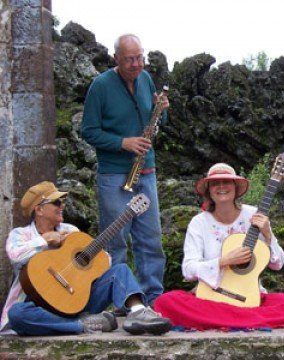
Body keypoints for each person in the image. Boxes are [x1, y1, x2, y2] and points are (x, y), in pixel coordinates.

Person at [0, 181, 171, 336]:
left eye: (62, 202)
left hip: (77, 301)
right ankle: (81, 325)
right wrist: (44, 240)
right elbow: (15, 256)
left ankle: (139, 312)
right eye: (57, 202)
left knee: (120, 270)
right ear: (39, 209)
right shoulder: (20, 234)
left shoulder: (71, 231)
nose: (62, 206)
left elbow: (105, 262)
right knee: (17, 314)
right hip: (40, 305)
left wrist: (92, 254)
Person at [153, 163, 284, 330]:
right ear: (209, 191)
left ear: (235, 187)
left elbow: (277, 264)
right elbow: (188, 270)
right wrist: (223, 261)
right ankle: (247, 320)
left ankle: (224, 320)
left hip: (249, 297)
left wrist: (268, 235)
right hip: (211, 298)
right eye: (215, 183)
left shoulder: (255, 215)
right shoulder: (198, 223)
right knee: (166, 301)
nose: (221, 187)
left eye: (226, 181)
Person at [80, 34, 168, 305]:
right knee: (115, 240)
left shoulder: (145, 79)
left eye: (140, 57)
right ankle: (119, 301)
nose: (136, 64)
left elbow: (154, 124)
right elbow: (88, 131)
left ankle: (153, 299)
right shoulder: (100, 86)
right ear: (116, 58)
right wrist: (123, 143)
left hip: (146, 170)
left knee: (151, 239)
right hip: (115, 173)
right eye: (129, 59)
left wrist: (161, 111)